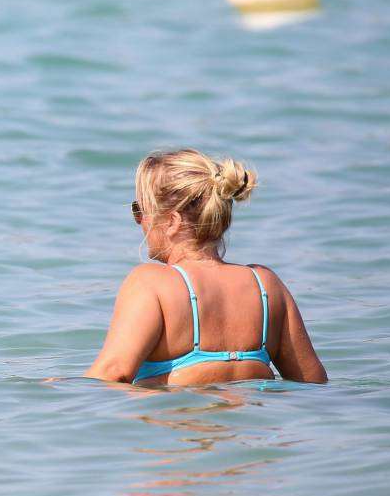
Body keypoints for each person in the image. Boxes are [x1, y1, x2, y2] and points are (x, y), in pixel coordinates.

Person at [84, 149, 326, 386]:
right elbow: (313, 384)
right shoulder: (266, 285)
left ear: (172, 221)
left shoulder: (152, 283)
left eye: (140, 210)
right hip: (250, 414)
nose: (139, 222)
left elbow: (113, 372)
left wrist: (61, 392)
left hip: (176, 413)